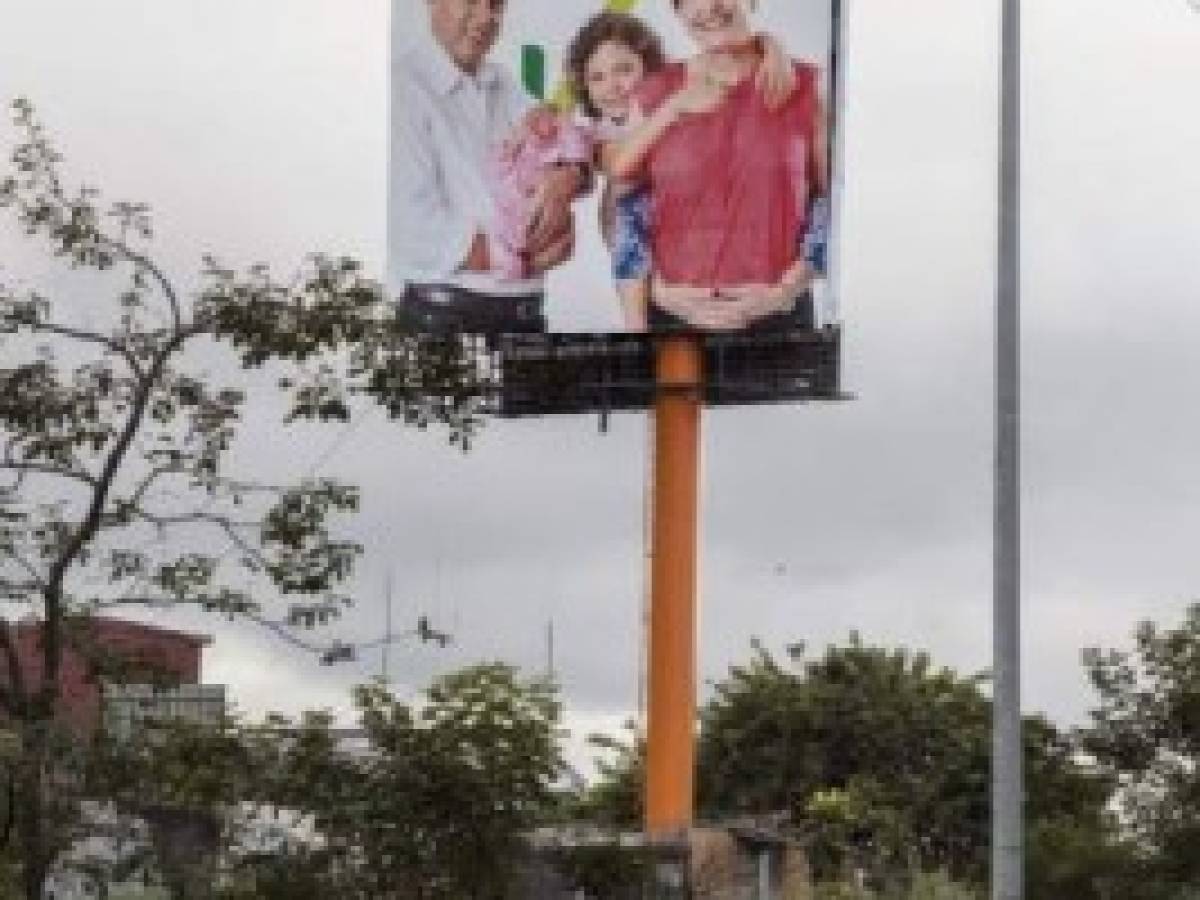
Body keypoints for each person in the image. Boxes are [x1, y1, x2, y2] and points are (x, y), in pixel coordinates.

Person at [565, 10, 799, 332]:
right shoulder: (599, 129)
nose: (613, 86)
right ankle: (635, 328)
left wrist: (772, 46)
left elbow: (718, 64)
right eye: (597, 78)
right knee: (630, 239)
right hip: (635, 228)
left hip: (687, 243)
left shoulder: (670, 92)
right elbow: (618, 171)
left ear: (649, 67)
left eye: (624, 70)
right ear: (584, 86)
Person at [390, 0, 589, 333]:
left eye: (496, 4)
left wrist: (566, 178)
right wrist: (525, 256)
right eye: (470, 1)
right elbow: (412, 230)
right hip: (446, 319)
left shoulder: (502, 80)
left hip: (524, 313)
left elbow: (562, 141)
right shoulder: (402, 89)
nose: (485, 17)